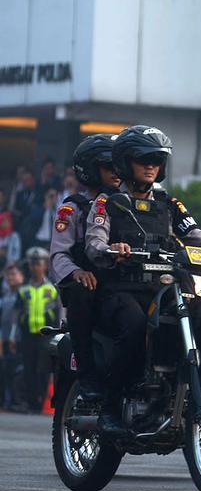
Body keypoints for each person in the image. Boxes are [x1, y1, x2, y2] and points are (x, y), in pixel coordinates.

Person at [85, 125, 201, 436]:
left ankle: (185, 392)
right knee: (135, 325)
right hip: (121, 289)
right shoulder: (107, 202)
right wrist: (111, 249)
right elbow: (94, 242)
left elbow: (198, 237)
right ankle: (111, 407)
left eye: (157, 159)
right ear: (126, 163)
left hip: (165, 288)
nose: (151, 165)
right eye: (144, 158)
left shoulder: (170, 204)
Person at [49, 133, 120, 401]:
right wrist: (76, 271)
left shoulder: (130, 203)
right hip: (89, 283)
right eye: (108, 166)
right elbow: (58, 255)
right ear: (90, 169)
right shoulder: (72, 207)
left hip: (123, 283)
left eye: (119, 165)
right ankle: (86, 370)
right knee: (82, 291)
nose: (116, 172)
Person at [16, 247, 60, 412]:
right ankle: (31, 403)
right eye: (32, 264)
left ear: (45, 266)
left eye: (38, 263)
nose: (35, 267)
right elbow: (17, 313)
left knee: (42, 370)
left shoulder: (52, 289)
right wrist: (13, 335)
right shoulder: (24, 290)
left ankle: (41, 401)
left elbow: (58, 313)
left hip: (45, 336)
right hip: (28, 335)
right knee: (29, 369)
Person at [0, 264, 24, 408]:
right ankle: (6, 401)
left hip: (20, 340)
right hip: (6, 340)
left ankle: (18, 401)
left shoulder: (25, 293)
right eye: (9, 275)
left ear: (21, 277)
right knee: (6, 371)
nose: (11, 277)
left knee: (19, 371)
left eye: (14, 274)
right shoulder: (5, 296)